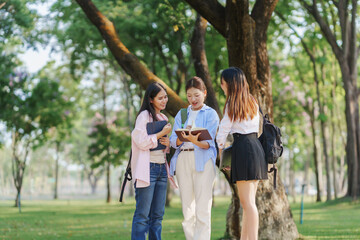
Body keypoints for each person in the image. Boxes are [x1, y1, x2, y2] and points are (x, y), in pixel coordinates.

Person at [216, 67, 268, 240]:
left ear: (229, 84)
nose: (222, 87)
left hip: (243, 151)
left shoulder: (232, 103)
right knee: (248, 204)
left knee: (248, 204)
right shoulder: (252, 101)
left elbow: (221, 135)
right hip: (256, 149)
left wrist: (222, 156)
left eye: (222, 83)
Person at [169, 77, 219, 240]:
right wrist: (184, 136)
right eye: (189, 96)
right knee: (187, 209)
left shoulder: (211, 114)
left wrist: (192, 138)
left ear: (204, 93)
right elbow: (173, 142)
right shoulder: (182, 114)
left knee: (203, 207)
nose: (193, 99)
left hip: (204, 161)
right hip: (184, 159)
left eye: (196, 95)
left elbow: (208, 143)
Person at [131, 82, 175, 240]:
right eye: (160, 98)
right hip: (147, 169)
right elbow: (141, 141)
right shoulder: (143, 116)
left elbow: (162, 148)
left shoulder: (163, 117)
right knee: (142, 216)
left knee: (157, 216)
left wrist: (167, 144)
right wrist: (159, 134)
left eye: (166, 97)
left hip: (162, 169)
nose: (164, 101)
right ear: (151, 99)